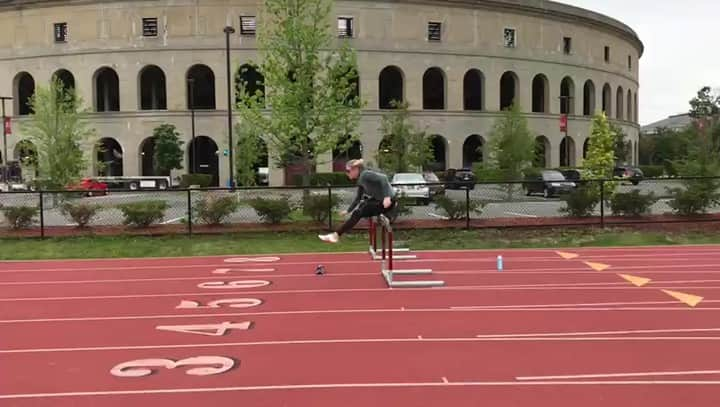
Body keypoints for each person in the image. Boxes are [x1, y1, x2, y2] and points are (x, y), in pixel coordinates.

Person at [318, 159, 397, 243]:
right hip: (380, 201)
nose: (347, 173)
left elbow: (383, 178)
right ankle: (386, 216)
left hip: (388, 201)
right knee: (362, 205)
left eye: (348, 171)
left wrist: (387, 197)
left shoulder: (365, 174)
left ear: (356, 169)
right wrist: (348, 210)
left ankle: (336, 235)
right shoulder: (360, 181)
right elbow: (358, 198)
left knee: (359, 212)